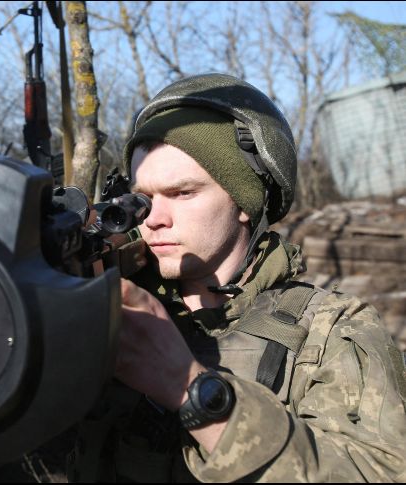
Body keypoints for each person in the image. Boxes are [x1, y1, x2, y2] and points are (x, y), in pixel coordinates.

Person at [68, 73, 406, 482]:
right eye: (145, 199)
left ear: (244, 201)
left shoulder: (330, 332)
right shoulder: (107, 306)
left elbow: (378, 473)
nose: (155, 219)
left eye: (183, 193)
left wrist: (192, 389)